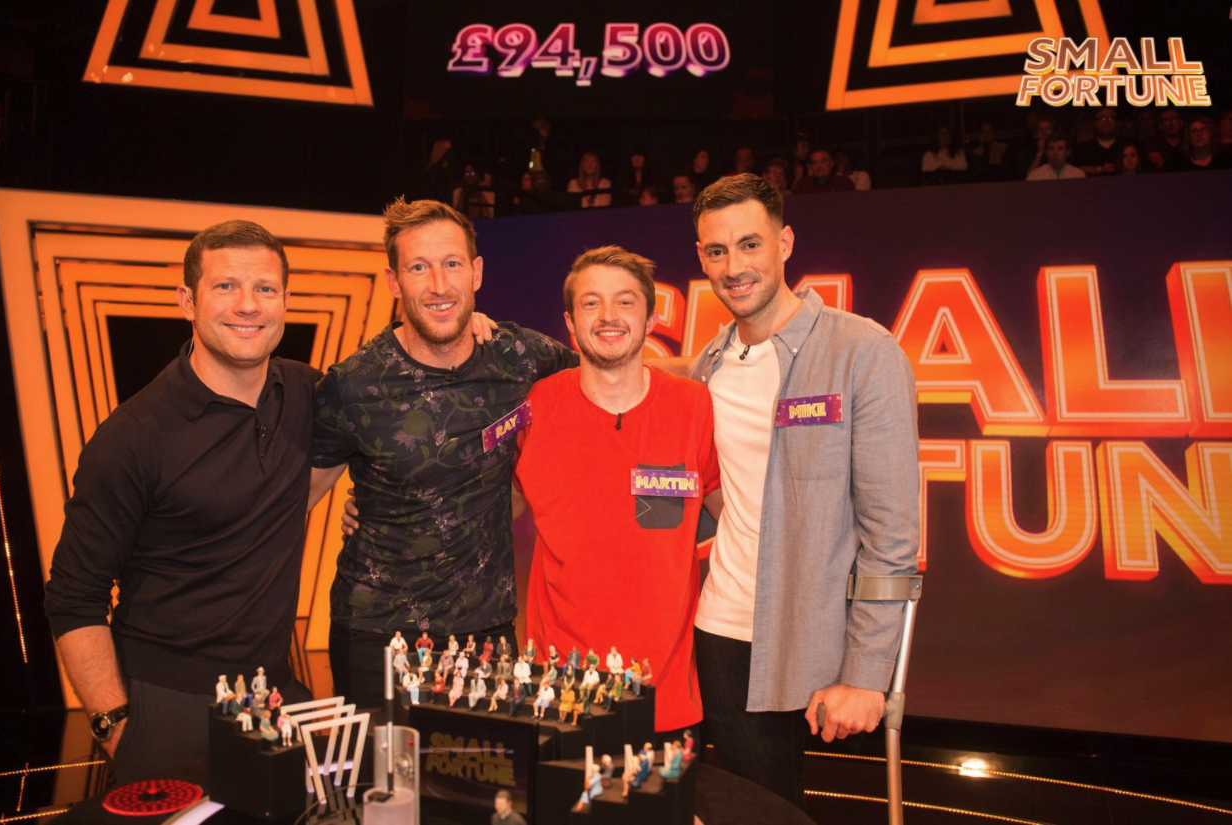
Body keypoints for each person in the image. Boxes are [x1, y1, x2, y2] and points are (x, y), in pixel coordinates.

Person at [43, 220, 317, 783]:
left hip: (275, 696)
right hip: (166, 707)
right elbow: (74, 596)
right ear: (187, 301)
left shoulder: (309, 393)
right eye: (226, 286)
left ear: (285, 301)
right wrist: (116, 725)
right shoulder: (134, 436)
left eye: (265, 288)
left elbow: (397, 389)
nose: (248, 304)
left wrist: (476, 331)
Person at [687, 174, 919, 807]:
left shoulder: (862, 352)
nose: (734, 267)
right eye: (717, 251)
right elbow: (724, 496)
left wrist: (867, 674)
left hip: (810, 642)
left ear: (784, 243)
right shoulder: (707, 368)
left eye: (750, 244)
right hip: (719, 631)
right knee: (735, 809)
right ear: (702, 258)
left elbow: (893, 535)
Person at [311, 198, 578, 708]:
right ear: (394, 282)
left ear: (476, 272)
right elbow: (289, 504)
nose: (438, 284)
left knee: (491, 763)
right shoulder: (352, 386)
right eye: (419, 267)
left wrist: (704, 378)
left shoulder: (518, 356)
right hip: (377, 635)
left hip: (488, 631)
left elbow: (612, 376)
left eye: (452, 264)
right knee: (383, 765)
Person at [515, 246, 721, 736]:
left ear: (650, 319)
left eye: (625, 302)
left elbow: (741, 517)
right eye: (591, 303)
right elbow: (485, 509)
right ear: (570, 322)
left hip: (665, 692)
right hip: (559, 689)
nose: (608, 316)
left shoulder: (693, 406)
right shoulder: (537, 407)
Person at [1072, 107, 1123, 177]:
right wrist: (1099, 169)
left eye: (1110, 118)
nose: (1106, 121)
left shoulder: (1127, 146)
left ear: (1116, 122)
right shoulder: (1083, 148)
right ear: (1095, 123)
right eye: (1102, 118)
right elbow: (1073, 170)